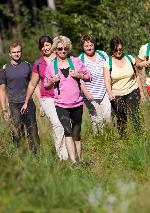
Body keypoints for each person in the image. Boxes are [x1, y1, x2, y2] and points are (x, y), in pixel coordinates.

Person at [44, 36, 92, 165]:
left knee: (77, 132)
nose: (63, 51)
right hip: (61, 104)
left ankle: (80, 159)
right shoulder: (51, 66)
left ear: (68, 49)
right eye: (60, 48)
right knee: (68, 132)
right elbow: (45, 85)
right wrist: (52, 81)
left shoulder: (76, 62)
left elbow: (89, 76)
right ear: (55, 50)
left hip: (77, 102)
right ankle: (73, 161)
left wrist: (80, 75)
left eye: (65, 48)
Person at [20, 36, 68, 161]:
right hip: (47, 99)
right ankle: (62, 157)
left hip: (63, 97)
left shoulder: (61, 58)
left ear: (52, 45)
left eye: (47, 45)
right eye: (43, 46)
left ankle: (68, 152)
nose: (45, 48)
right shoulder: (38, 63)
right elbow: (32, 84)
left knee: (65, 125)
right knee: (57, 125)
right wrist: (26, 102)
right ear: (40, 48)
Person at [0, 42, 40, 154]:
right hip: (14, 105)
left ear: (21, 52)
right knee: (17, 132)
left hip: (28, 103)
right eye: (14, 52)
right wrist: (4, 110)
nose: (16, 54)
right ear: (9, 53)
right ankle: (21, 157)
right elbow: (2, 91)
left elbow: (34, 85)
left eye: (18, 51)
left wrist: (41, 103)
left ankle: (36, 158)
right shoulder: (4, 69)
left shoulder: (28, 66)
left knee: (33, 131)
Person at [103, 37, 145, 135]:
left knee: (135, 115)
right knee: (121, 119)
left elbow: (137, 75)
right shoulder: (108, 62)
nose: (118, 51)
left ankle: (139, 137)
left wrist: (142, 92)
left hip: (132, 90)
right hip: (117, 94)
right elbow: (107, 80)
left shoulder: (130, 58)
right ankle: (124, 141)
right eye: (116, 49)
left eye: (120, 49)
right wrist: (110, 93)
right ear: (111, 49)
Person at [78, 34, 111, 134]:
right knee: (97, 119)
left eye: (91, 45)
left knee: (108, 115)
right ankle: (99, 140)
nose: (89, 48)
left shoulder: (102, 55)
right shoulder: (79, 60)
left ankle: (110, 138)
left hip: (104, 91)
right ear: (83, 47)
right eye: (86, 46)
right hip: (90, 94)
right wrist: (86, 94)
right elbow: (79, 80)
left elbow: (110, 68)